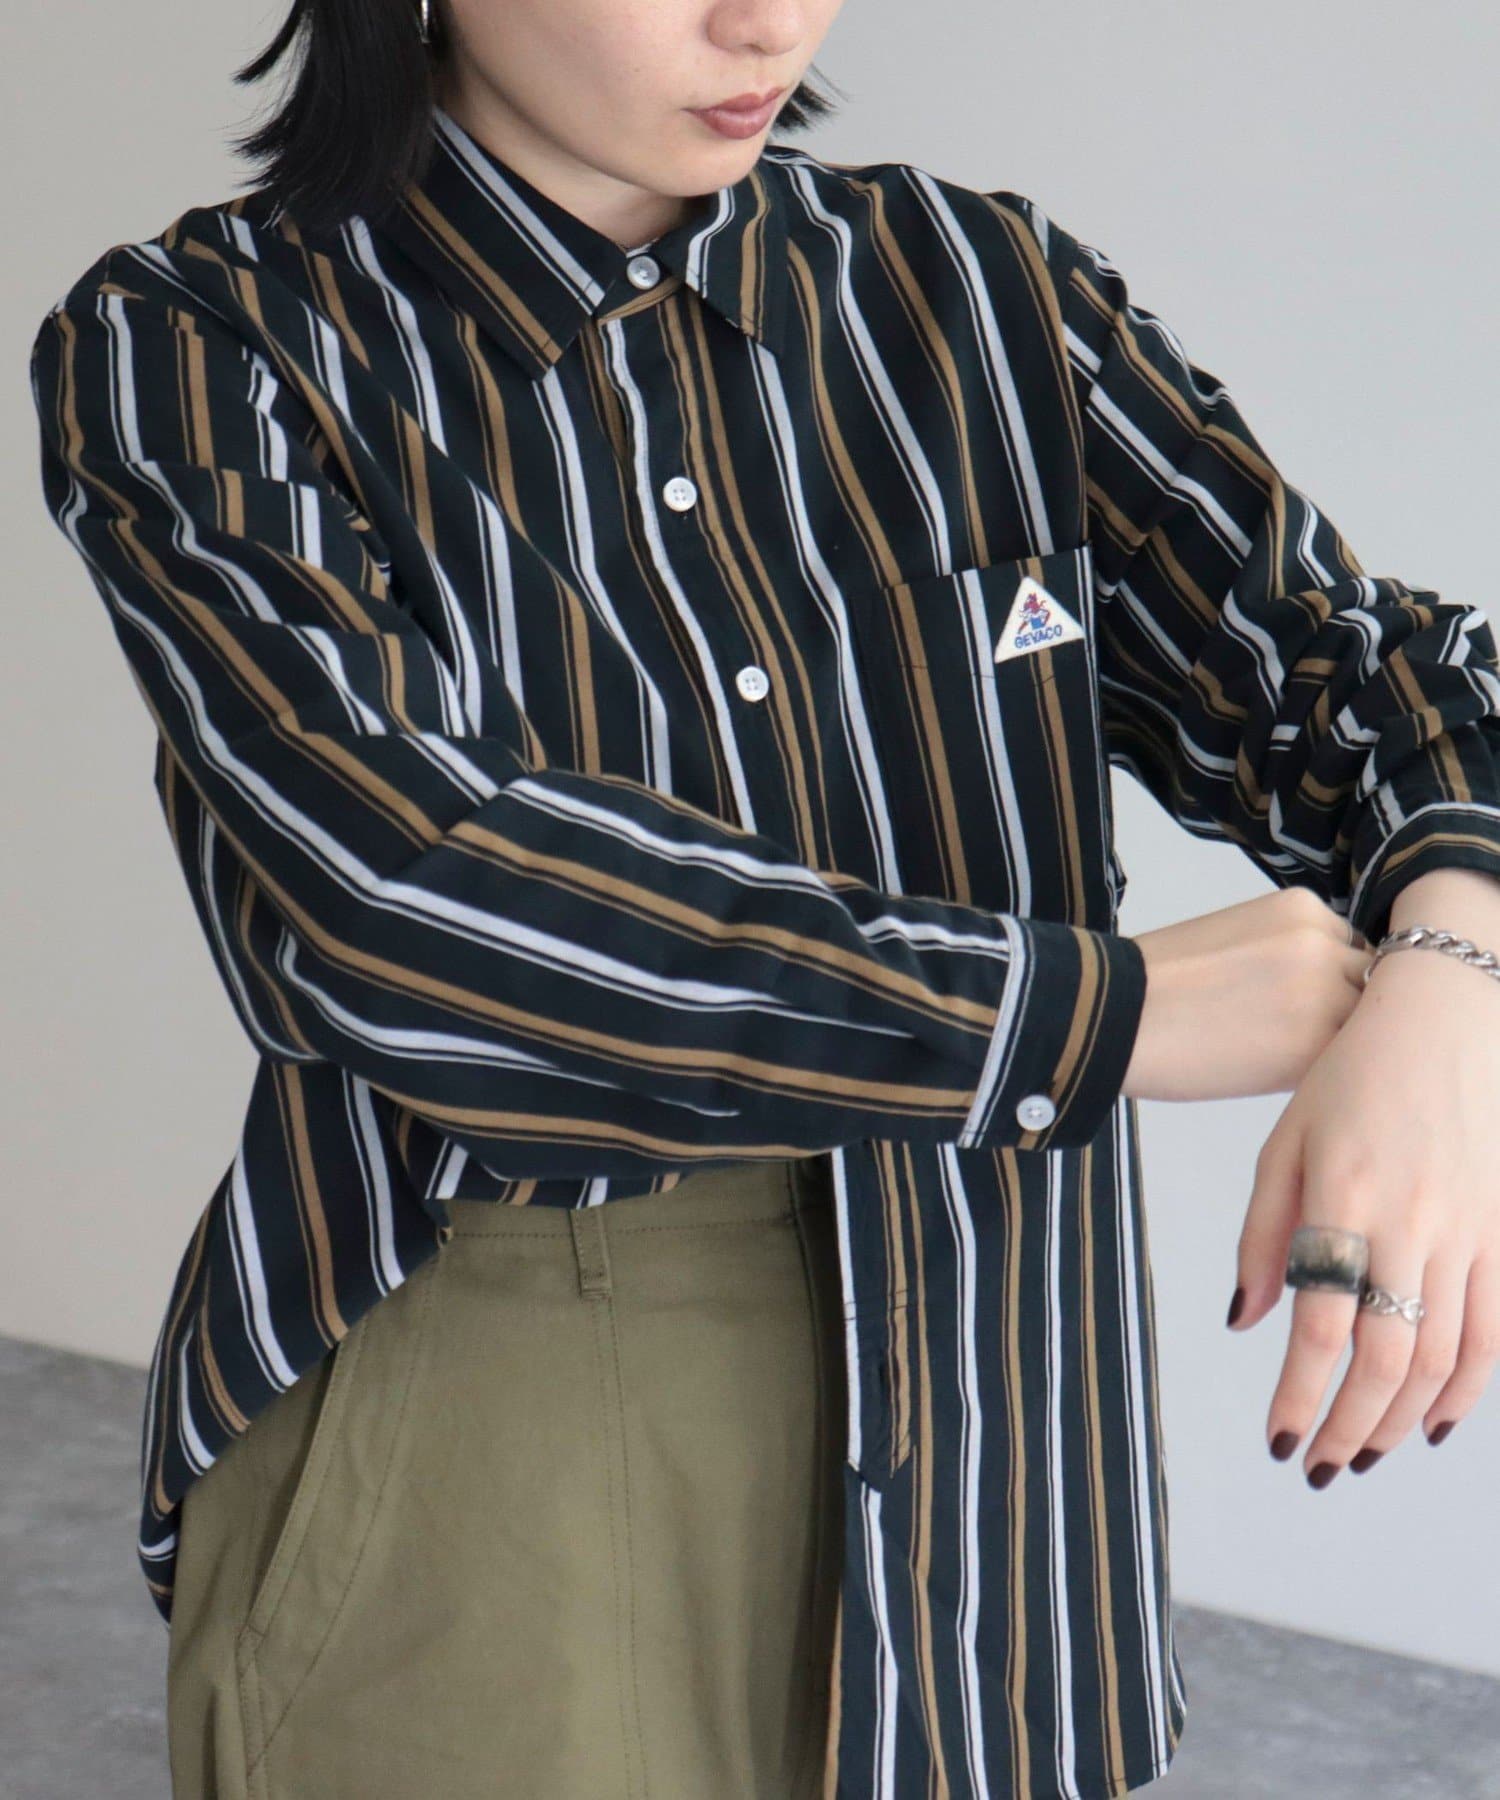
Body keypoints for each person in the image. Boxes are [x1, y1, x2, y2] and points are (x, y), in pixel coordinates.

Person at [28, 0, 1500, 1794]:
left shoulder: (982, 297)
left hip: (1000, 1440)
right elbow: (413, 904)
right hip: (499, 1407)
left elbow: (1372, 693)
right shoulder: (206, 344)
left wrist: (1448, 990)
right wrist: (1101, 1015)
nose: (769, 19)